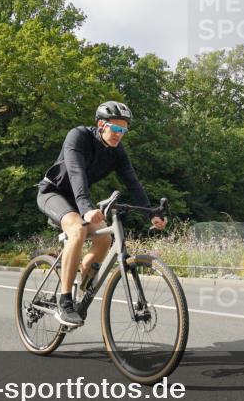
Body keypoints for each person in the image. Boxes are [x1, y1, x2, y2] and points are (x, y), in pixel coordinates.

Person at [36, 101, 166, 326]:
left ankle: (82, 276)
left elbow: (133, 183)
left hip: (78, 200)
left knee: (105, 239)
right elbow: (76, 174)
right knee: (77, 230)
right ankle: (64, 302)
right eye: (115, 129)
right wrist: (86, 209)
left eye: (123, 130)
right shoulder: (77, 137)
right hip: (54, 193)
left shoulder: (118, 152)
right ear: (101, 125)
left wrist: (151, 213)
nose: (119, 134)